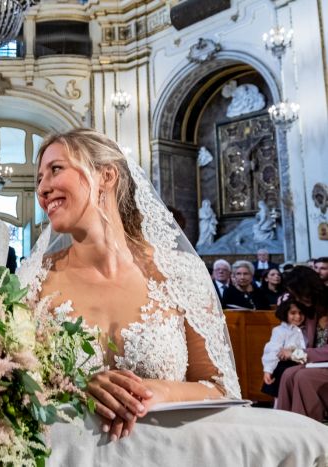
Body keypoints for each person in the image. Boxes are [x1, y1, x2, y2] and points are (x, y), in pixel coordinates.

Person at [18, 128, 324, 454]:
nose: (42, 189)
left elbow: (221, 388)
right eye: (38, 179)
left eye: (55, 169)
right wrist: (76, 389)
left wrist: (160, 392)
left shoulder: (180, 271)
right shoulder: (33, 280)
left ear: (106, 175)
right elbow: (9, 384)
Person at [277, 266, 328, 422]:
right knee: (287, 374)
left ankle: (307, 430)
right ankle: (283, 425)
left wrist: (297, 353)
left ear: (308, 289)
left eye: (297, 294)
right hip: (321, 363)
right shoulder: (313, 311)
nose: (297, 299)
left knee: (303, 376)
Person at [261, 298, 306, 399]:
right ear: (285, 313)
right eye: (293, 313)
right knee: (283, 398)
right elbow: (272, 350)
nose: (298, 316)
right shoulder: (280, 331)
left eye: (301, 313)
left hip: (303, 367)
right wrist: (268, 370)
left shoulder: (306, 329)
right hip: (286, 367)